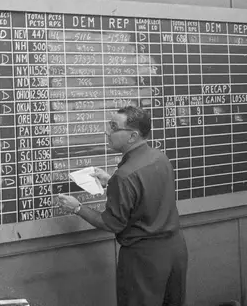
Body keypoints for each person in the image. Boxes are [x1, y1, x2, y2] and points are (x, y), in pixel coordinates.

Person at [57, 106, 188, 306]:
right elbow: (145, 193)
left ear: (132, 136)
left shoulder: (125, 176)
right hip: (175, 250)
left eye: (113, 127)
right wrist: (111, 181)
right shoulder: (160, 158)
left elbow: (111, 224)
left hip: (144, 258)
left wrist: (77, 208)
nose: (107, 132)